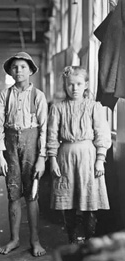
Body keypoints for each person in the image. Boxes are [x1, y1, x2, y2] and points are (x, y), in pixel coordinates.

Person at [47, 66, 111, 244]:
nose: (74, 88)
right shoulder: (58, 108)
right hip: (65, 157)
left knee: (89, 202)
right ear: (65, 86)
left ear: (86, 85)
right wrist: (52, 160)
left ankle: (89, 242)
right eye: (70, 85)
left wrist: (100, 159)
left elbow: (102, 134)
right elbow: (51, 136)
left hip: (88, 158)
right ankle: (73, 241)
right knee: (68, 203)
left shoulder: (94, 107)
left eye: (78, 84)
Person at [0, 52, 47, 257]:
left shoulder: (38, 96)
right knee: (13, 193)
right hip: (10, 145)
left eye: (23, 67)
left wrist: (42, 157)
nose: (18, 70)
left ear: (31, 70)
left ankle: (35, 240)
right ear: (10, 71)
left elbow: (45, 128)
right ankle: (14, 239)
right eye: (15, 67)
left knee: (32, 194)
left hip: (32, 144)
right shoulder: (4, 95)